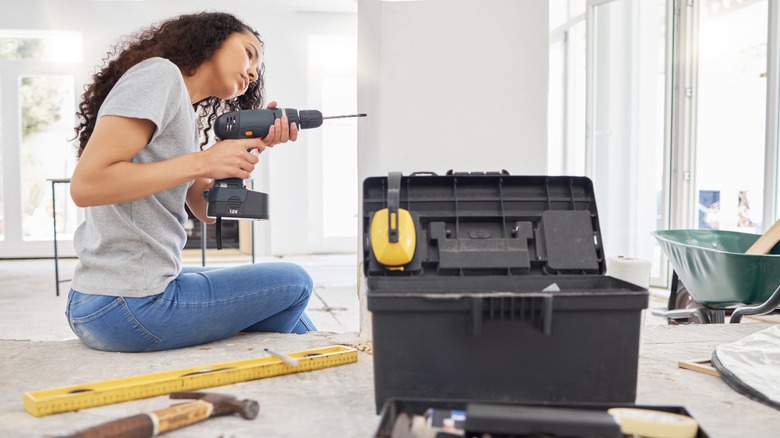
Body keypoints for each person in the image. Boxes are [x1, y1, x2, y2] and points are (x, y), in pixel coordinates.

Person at [67, 11, 316, 352]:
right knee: (294, 282)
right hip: (128, 302)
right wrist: (205, 159)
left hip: (116, 300)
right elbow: (87, 186)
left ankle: (319, 355)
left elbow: (205, 210)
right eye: (248, 52)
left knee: (274, 300)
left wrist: (244, 150)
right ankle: (312, 362)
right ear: (211, 40)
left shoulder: (185, 111)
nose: (255, 71)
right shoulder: (160, 75)